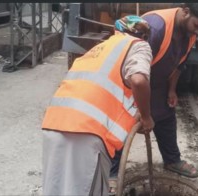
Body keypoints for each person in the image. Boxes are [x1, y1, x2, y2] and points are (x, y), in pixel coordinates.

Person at [41, 16, 155, 195]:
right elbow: (139, 80)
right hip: (85, 133)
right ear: (145, 36)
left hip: (54, 124)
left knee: (57, 189)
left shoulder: (100, 49)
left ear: (116, 31)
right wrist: (146, 117)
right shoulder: (137, 45)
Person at [109, 3, 198, 193]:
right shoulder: (156, 28)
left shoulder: (190, 34)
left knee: (166, 116)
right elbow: (136, 74)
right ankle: (112, 172)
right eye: (197, 26)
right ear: (185, 11)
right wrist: (144, 114)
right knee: (124, 124)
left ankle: (172, 160)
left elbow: (179, 65)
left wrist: (171, 90)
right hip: (131, 81)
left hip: (156, 81)